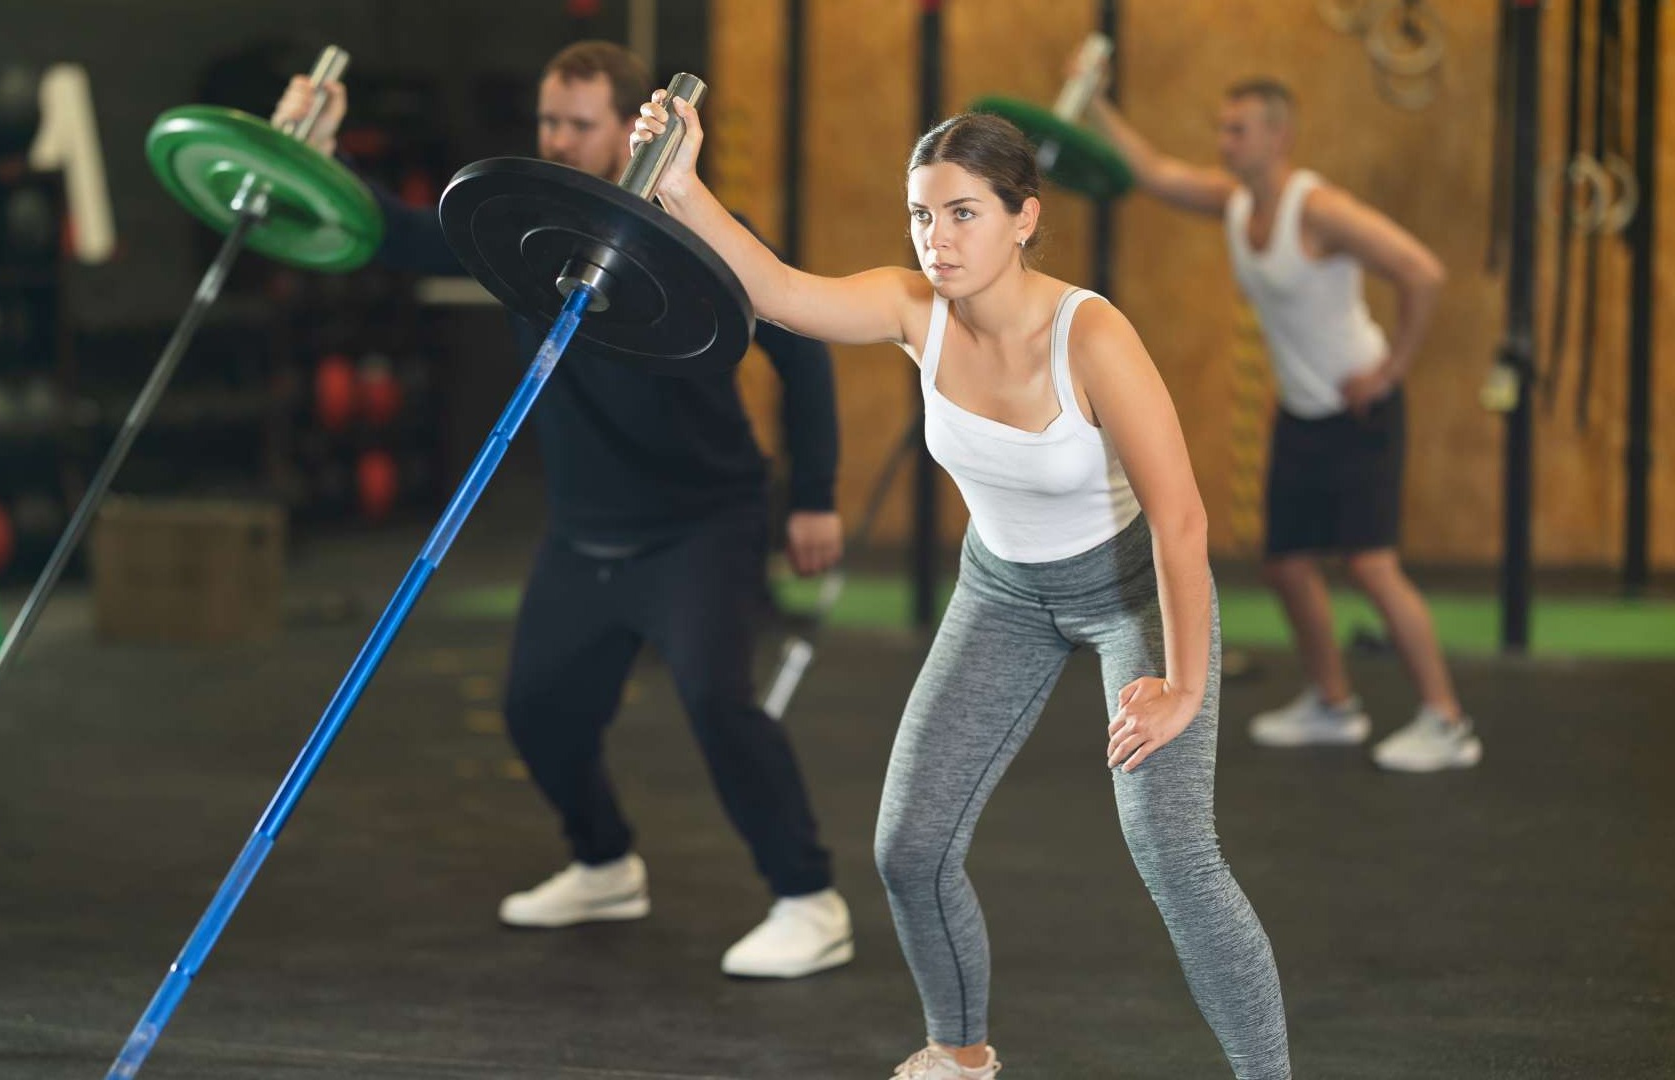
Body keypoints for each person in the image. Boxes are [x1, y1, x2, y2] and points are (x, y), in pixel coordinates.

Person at [633, 92, 1291, 1078]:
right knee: (910, 846)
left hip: (1133, 590)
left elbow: (1181, 520)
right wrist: (681, 183)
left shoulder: (1091, 338)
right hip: (1003, 593)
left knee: (1172, 851)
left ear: (1024, 217)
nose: (936, 239)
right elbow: (772, 289)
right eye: (921, 215)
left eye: (963, 213)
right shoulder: (914, 311)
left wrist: (1184, 685)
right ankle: (962, 1056)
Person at [273, 42, 856, 979]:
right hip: (586, 531)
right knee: (539, 712)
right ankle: (604, 863)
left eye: (578, 123)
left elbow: (804, 351)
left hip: (701, 522)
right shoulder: (521, 228)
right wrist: (316, 157)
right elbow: (393, 231)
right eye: (548, 120)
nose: (557, 139)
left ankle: (809, 898)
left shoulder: (699, 229)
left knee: (717, 703)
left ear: (629, 127)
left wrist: (816, 495)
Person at [1085, 78, 1481, 773]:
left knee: (1371, 565)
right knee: (1287, 563)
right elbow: (1152, 173)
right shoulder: (1235, 203)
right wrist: (1092, 99)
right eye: (1222, 128)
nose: (1225, 142)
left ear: (1278, 137)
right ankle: (1333, 703)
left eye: (1238, 130)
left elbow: (1423, 271)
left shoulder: (1320, 209)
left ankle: (1448, 721)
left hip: (1360, 411)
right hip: (1301, 413)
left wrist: (1391, 369)